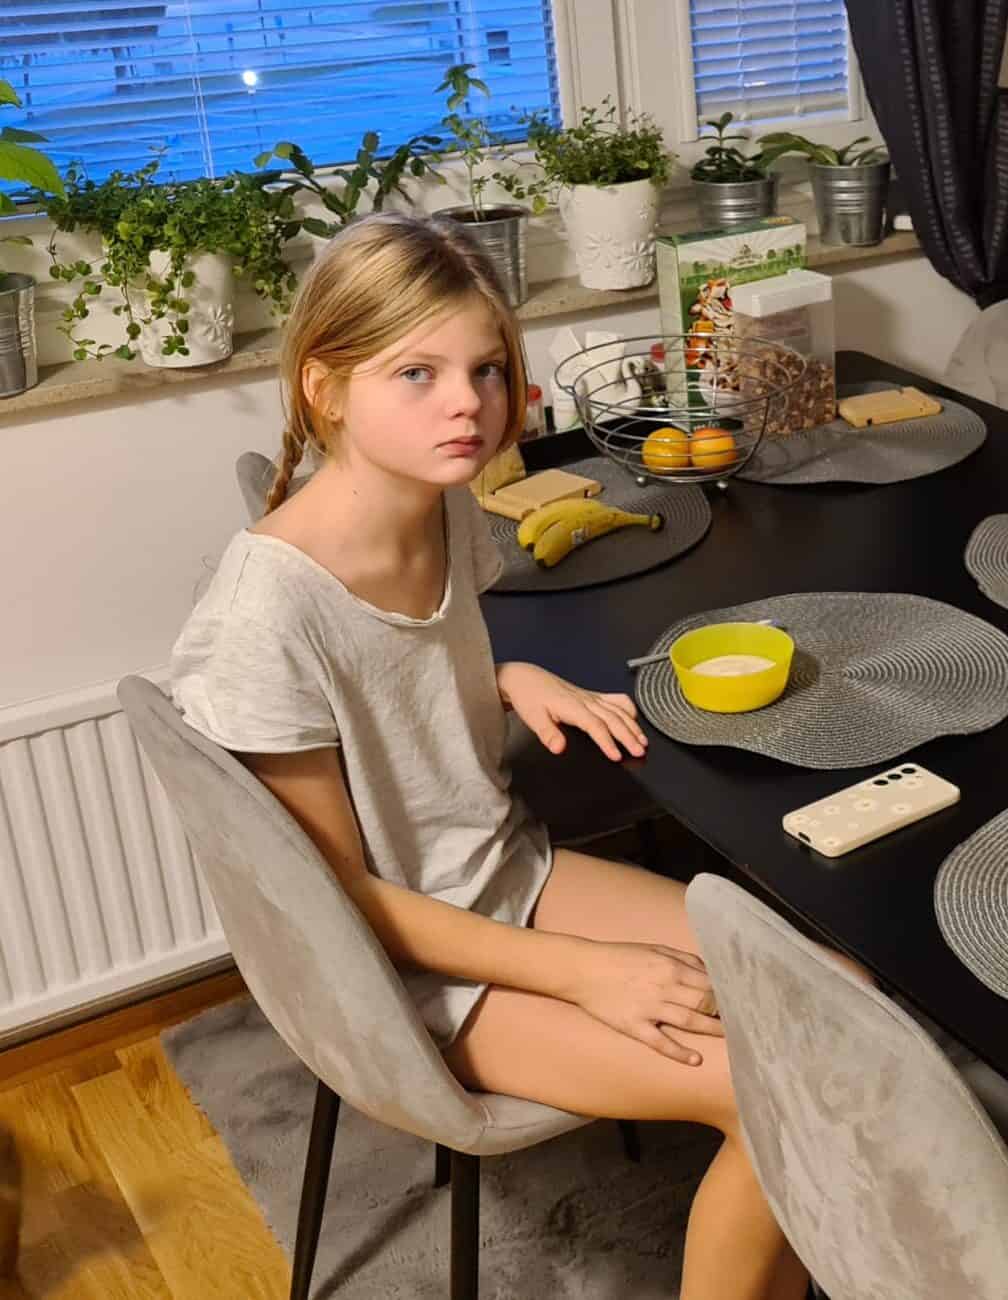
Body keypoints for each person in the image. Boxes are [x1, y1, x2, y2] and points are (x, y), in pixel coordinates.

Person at [168, 213, 808, 1300]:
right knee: (774, 1089)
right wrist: (588, 974)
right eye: (415, 373)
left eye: (486, 369)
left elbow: (401, 666)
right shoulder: (262, 617)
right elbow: (344, 900)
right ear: (326, 388)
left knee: (828, 998)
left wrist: (507, 675)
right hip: (407, 970)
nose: (465, 403)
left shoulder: (439, 504)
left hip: (505, 873)